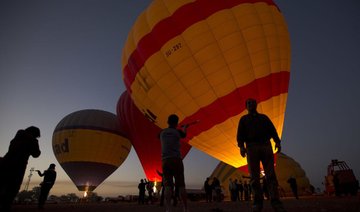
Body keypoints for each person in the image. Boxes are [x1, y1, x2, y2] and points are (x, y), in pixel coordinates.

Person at [237, 98, 286, 212]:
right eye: (248, 103)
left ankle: (276, 202)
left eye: (252, 102)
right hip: (251, 147)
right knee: (254, 176)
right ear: (246, 106)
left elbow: (273, 130)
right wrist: (242, 147)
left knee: (270, 175)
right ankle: (257, 203)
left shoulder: (264, 118)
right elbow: (240, 135)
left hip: (265, 146)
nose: (250, 104)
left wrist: (277, 142)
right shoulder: (243, 119)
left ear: (256, 104)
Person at [0, 126, 41, 211]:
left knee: (2, 184)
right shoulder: (32, 140)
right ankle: (5, 206)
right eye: (37, 136)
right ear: (35, 134)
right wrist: (35, 142)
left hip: (5, 163)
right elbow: (36, 154)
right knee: (13, 187)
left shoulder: (16, 138)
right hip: (18, 166)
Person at [159, 114, 189, 212]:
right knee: (181, 185)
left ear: (168, 122)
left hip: (165, 160)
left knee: (168, 185)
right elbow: (184, 135)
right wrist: (184, 128)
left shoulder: (162, 133)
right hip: (177, 159)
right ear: (177, 123)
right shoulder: (177, 132)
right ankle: (185, 208)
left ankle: (168, 209)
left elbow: (158, 136)